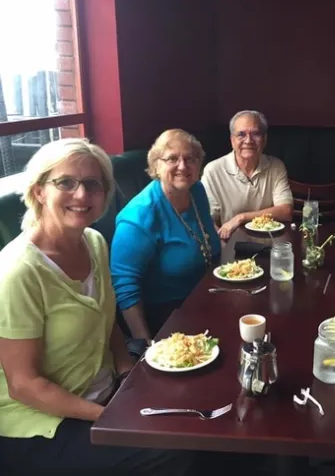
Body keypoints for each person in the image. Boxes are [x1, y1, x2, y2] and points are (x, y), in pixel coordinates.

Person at [0, 138, 192, 475]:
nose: (81, 195)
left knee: (194, 411)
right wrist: (110, 417)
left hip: (104, 395)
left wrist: (127, 374)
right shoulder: (18, 271)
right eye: (65, 182)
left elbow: (108, 323)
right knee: (178, 451)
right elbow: (24, 385)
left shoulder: (94, 242)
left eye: (93, 184)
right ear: (39, 190)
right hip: (41, 423)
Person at [111, 129, 221, 343]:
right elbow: (125, 288)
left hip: (204, 298)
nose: (183, 166)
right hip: (166, 318)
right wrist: (146, 346)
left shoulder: (196, 190)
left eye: (190, 158)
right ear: (156, 166)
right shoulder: (139, 217)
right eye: (172, 158)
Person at [201, 110, 293, 239]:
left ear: (264, 139)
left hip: (269, 244)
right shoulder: (213, 170)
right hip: (230, 244)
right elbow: (208, 219)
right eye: (241, 134)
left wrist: (241, 218)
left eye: (255, 134)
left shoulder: (276, 166)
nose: (248, 140)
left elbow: (286, 211)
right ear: (232, 140)